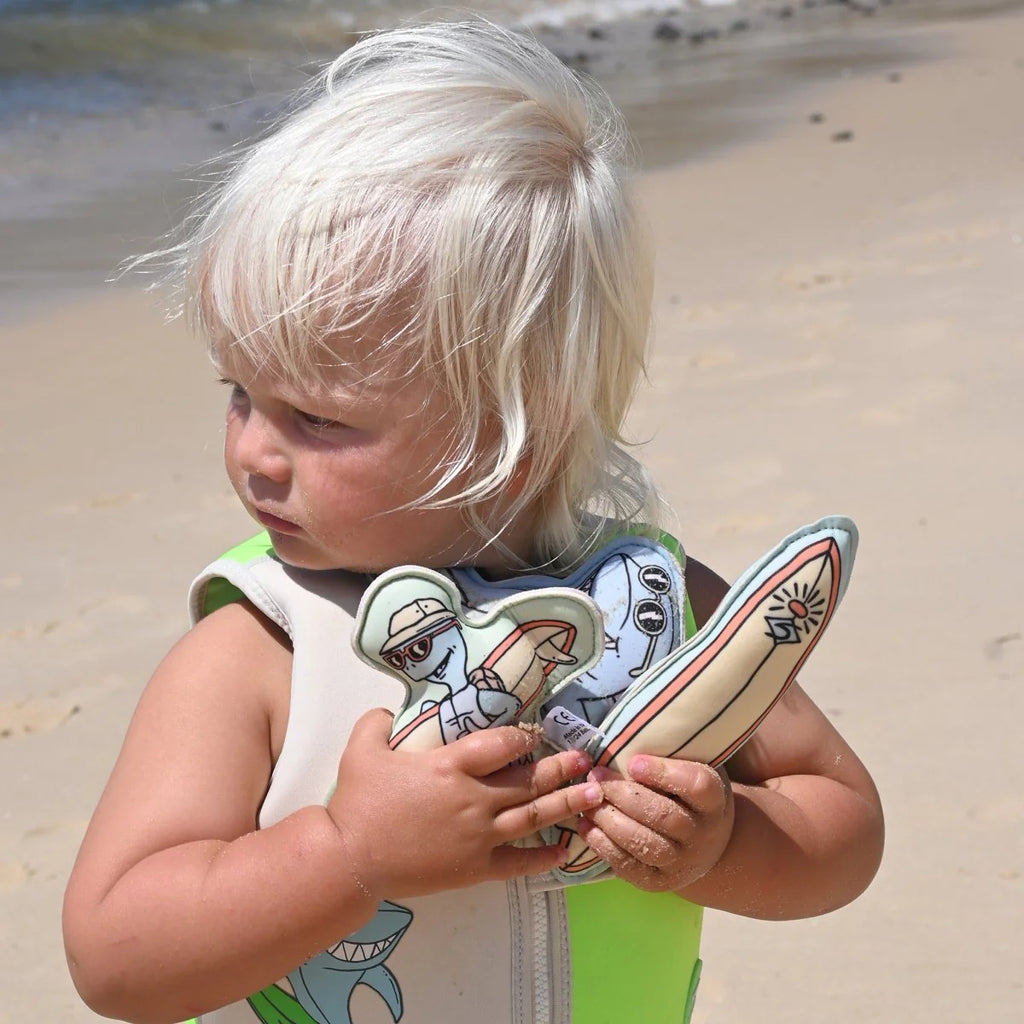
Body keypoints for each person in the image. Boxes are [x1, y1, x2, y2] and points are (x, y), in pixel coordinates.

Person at [62, 19, 884, 1024]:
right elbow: (116, 954)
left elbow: (841, 826)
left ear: (514, 434)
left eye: (317, 418)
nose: (252, 453)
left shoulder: (659, 606)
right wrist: (350, 852)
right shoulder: (257, 646)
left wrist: (724, 843)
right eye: (240, 392)